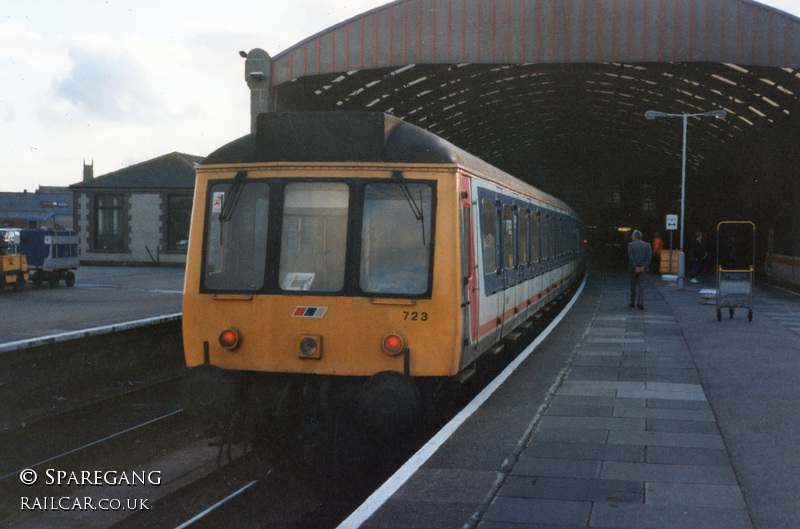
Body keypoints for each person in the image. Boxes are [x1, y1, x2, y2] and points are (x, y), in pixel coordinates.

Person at [628, 230, 652, 309]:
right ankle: (640, 302)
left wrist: (636, 267)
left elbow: (631, 257)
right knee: (642, 287)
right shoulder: (647, 245)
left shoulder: (631, 245)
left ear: (635, 236)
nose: (631, 237)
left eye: (632, 235)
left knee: (633, 286)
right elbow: (649, 257)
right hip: (643, 270)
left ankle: (632, 302)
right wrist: (643, 267)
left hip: (633, 270)